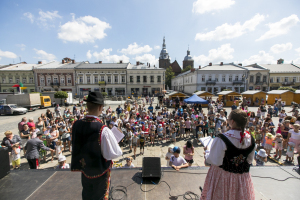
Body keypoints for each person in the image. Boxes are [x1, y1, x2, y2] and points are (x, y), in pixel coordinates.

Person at [71, 92, 122, 200]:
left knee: (87, 195)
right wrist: (114, 142)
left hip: (85, 171)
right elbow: (114, 153)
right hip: (100, 173)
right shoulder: (102, 129)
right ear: (100, 107)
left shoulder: (76, 124)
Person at [201, 109, 256, 200]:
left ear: (232, 121)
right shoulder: (251, 139)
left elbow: (215, 161)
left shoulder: (222, 139)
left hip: (223, 178)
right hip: (242, 179)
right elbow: (249, 161)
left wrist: (207, 152)